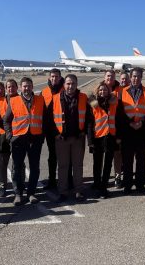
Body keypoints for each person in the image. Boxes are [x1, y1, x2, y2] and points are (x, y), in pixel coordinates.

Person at [3, 77, 46, 205]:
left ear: (32, 87)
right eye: (24, 86)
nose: (26, 88)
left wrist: (41, 136)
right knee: (16, 167)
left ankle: (31, 193)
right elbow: (6, 120)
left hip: (35, 139)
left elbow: (45, 120)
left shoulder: (40, 100)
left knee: (34, 167)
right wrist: (10, 136)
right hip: (18, 139)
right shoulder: (14, 100)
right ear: (20, 88)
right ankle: (18, 193)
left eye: (29, 86)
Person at [50, 74, 93, 202]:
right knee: (63, 166)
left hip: (77, 138)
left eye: (73, 83)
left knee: (77, 166)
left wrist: (85, 133)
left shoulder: (83, 97)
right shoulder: (56, 98)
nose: (70, 86)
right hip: (61, 138)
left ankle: (78, 190)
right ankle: (62, 192)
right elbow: (49, 119)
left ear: (76, 84)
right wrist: (55, 134)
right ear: (64, 85)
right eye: (68, 83)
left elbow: (90, 118)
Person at [118, 67, 145, 193]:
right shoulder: (122, 92)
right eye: (134, 76)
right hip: (128, 131)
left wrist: (142, 123)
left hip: (142, 131)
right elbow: (119, 111)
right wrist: (129, 123)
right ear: (130, 77)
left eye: (138, 76)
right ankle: (127, 184)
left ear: (141, 77)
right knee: (127, 160)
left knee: (141, 160)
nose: (136, 78)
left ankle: (140, 184)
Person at [88, 81, 118, 199]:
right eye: (100, 90)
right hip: (97, 138)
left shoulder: (114, 103)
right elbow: (90, 124)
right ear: (97, 91)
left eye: (105, 90)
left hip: (110, 136)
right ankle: (97, 183)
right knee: (97, 163)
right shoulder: (93, 104)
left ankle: (103, 187)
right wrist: (90, 141)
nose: (102, 92)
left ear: (108, 91)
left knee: (107, 164)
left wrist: (118, 137)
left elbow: (118, 120)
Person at [41, 68, 64, 190]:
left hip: (62, 130)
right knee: (52, 156)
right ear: (49, 78)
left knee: (65, 157)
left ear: (60, 78)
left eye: (56, 76)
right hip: (49, 131)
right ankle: (51, 180)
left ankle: (66, 179)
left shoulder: (65, 89)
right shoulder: (44, 92)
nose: (54, 78)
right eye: (52, 76)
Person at [0, 81, 13, 197]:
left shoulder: (10, 99)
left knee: (18, 162)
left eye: (1, 89)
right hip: (2, 136)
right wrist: (7, 129)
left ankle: (18, 184)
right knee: (2, 162)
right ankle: (2, 185)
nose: (0, 91)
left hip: (14, 134)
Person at [104, 70, 122, 188]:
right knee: (104, 157)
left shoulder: (120, 90)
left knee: (117, 155)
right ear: (104, 77)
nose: (110, 78)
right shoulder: (100, 88)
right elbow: (92, 104)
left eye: (112, 76)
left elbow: (122, 109)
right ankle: (102, 179)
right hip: (102, 130)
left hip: (116, 129)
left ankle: (117, 177)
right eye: (108, 76)